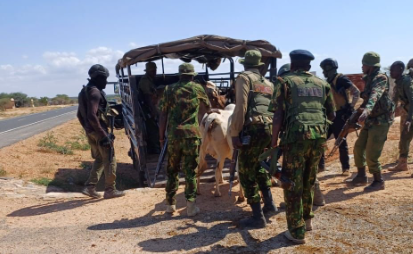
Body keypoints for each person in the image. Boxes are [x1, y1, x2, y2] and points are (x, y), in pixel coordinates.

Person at [269, 50, 335, 244]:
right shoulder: (323, 84)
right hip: (318, 138)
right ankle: (307, 221)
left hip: (295, 139)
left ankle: (296, 232)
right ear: (308, 66)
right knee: (309, 179)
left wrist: (274, 143)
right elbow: (331, 115)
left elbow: (278, 115)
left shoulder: (284, 82)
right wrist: (320, 131)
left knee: (291, 183)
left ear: (292, 64)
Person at [158, 63, 216, 217]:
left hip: (174, 136)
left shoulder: (169, 89)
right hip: (192, 136)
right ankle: (190, 207)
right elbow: (208, 109)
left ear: (179, 74)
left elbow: (163, 115)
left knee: (172, 171)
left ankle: (170, 205)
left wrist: (161, 137)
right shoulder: (197, 88)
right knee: (190, 172)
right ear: (192, 75)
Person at [230, 49, 277, 229]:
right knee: (260, 167)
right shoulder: (268, 83)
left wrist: (235, 133)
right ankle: (270, 204)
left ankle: (257, 217)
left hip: (253, 129)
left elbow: (241, 106)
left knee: (246, 170)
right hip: (268, 129)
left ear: (244, 64)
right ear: (259, 65)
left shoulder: (244, 78)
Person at [77, 64, 125, 199]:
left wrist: (88, 129)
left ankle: (90, 187)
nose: (105, 82)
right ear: (98, 78)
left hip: (92, 132)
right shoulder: (95, 93)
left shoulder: (84, 92)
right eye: (104, 78)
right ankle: (110, 190)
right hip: (99, 132)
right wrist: (103, 135)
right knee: (110, 159)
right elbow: (92, 115)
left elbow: (80, 115)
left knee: (99, 158)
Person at [349, 52, 394, 191]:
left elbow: (375, 95)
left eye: (364, 64)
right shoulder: (369, 78)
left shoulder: (380, 78)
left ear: (370, 66)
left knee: (371, 153)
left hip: (381, 121)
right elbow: (367, 98)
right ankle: (361, 176)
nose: (362, 67)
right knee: (358, 148)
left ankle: (378, 181)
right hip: (371, 120)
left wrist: (367, 110)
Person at [318, 58, 360, 176]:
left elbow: (356, 92)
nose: (323, 72)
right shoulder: (327, 81)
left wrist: (350, 106)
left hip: (340, 115)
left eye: (324, 70)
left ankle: (345, 168)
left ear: (328, 68)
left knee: (341, 141)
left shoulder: (341, 79)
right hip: (329, 115)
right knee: (320, 140)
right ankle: (320, 166)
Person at [388, 61, 413, 172]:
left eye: (393, 69)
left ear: (401, 70)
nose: (391, 72)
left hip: (410, 113)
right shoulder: (399, 82)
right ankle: (402, 164)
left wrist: (409, 119)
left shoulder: (406, 81)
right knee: (404, 138)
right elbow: (394, 100)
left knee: (405, 136)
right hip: (406, 112)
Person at [139, 62, 160, 154]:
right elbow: (147, 97)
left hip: (152, 105)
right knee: (153, 128)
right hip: (147, 108)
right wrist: (153, 110)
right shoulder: (145, 81)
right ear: (148, 71)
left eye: (155, 70)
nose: (154, 72)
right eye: (153, 71)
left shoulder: (150, 80)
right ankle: (155, 149)